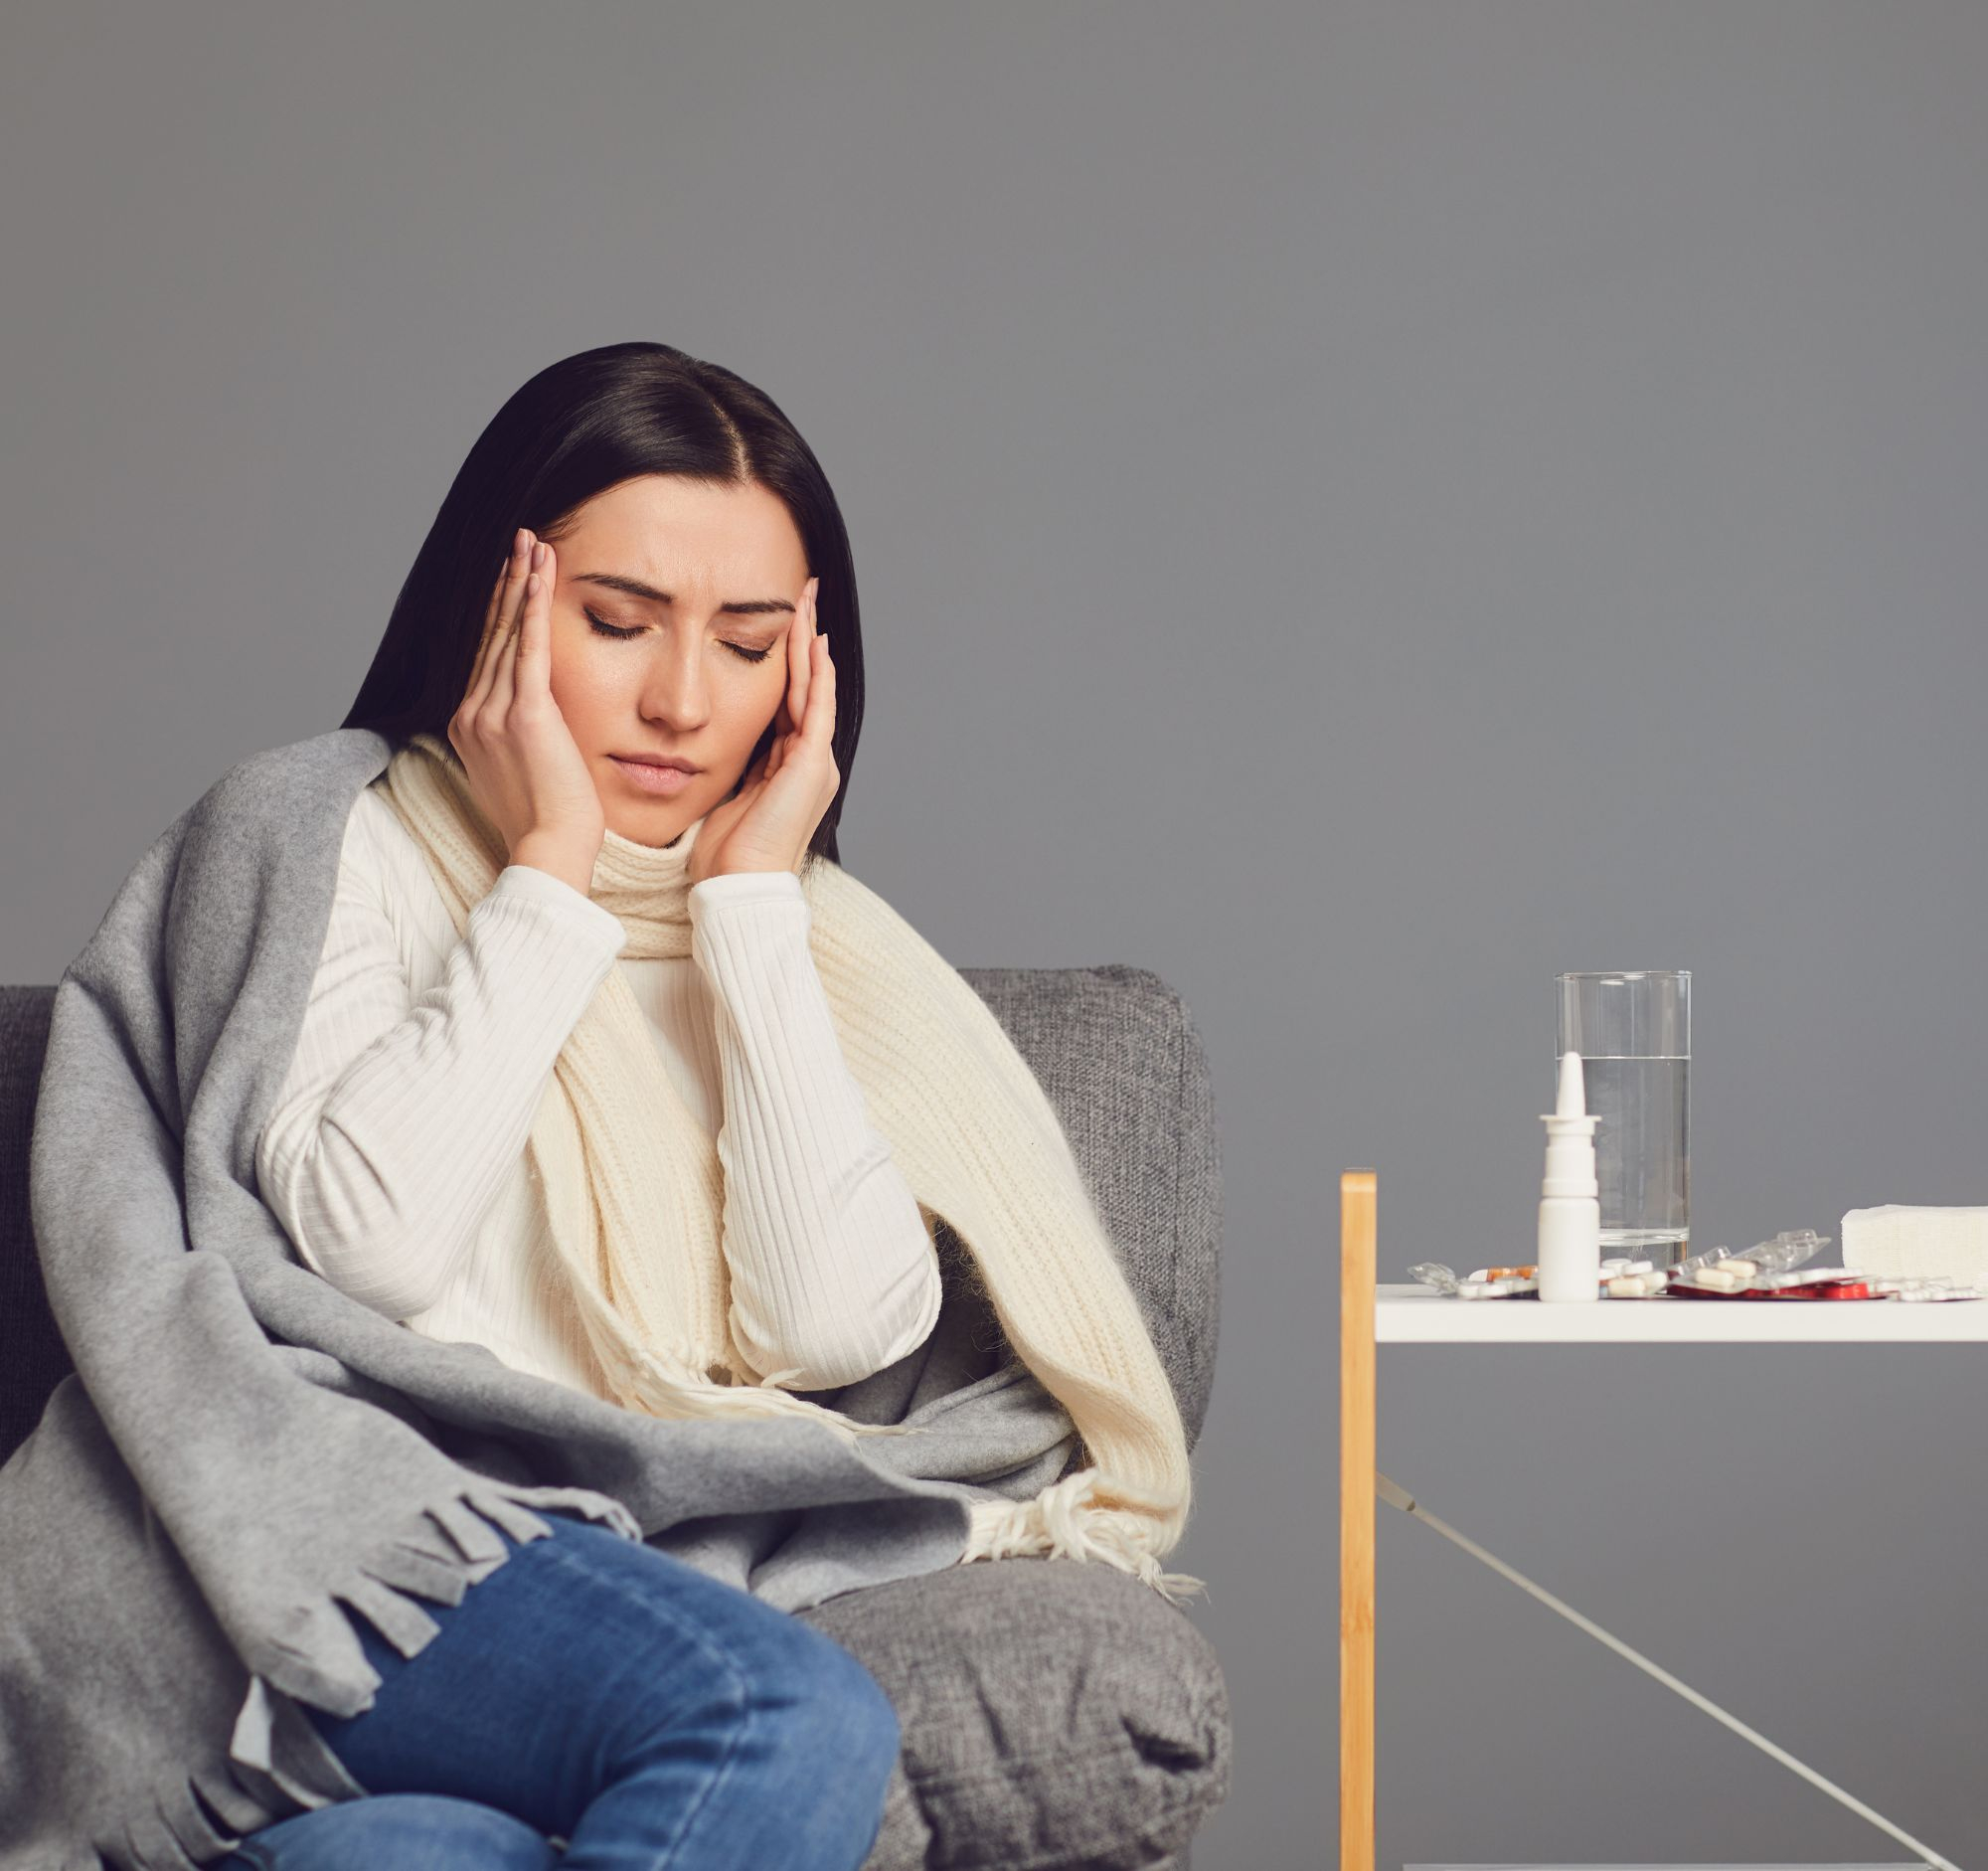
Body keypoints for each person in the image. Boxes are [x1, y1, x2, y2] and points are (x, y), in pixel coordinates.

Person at [219, 341, 929, 1867]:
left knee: (399, 1858)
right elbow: (371, 1255)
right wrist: (545, 868)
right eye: (618, 623)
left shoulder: (793, 940)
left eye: (748, 647)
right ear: (500, 602)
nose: (681, 699)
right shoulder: (333, 840)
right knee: (781, 1713)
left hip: (622, 1581)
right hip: (368, 1540)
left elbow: (834, 1330)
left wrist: (747, 909)